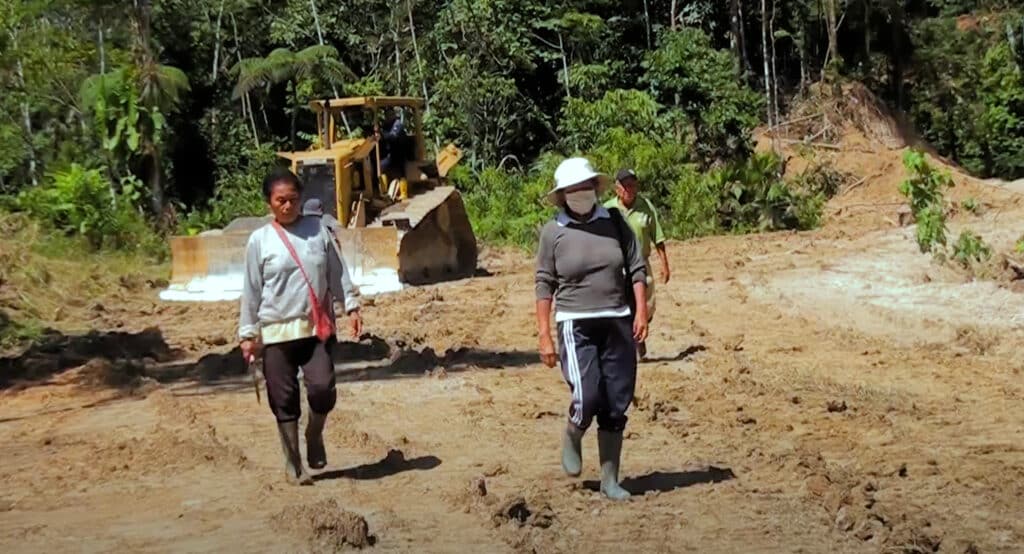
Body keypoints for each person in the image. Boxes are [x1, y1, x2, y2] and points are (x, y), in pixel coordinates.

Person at [535, 157, 649, 501]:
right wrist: (543, 333)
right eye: (574, 190)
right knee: (588, 394)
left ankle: (610, 480)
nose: (581, 194)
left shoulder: (613, 221)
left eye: (586, 188)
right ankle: (574, 430)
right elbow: (544, 282)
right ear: (563, 195)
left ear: (595, 189)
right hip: (575, 322)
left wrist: (641, 311)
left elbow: (636, 266)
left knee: (616, 399)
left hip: (617, 317)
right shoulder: (553, 232)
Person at [239, 168, 362, 485]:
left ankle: (314, 432)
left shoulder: (318, 231)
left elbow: (337, 272)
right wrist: (248, 333)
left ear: (301, 199)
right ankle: (293, 465)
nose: (287, 206)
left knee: (323, 390)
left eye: (293, 199)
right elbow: (251, 290)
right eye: (280, 200)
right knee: (283, 400)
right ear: (269, 202)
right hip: (276, 333)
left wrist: (351, 305)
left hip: (314, 330)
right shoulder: (259, 241)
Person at [603, 169, 669, 360]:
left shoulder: (646, 206)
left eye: (633, 185)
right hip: (618, 265)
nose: (630, 189)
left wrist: (665, 264)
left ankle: (641, 328)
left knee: (648, 305)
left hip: (642, 263)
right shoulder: (608, 210)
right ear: (617, 189)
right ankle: (630, 341)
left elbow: (658, 237)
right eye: (626, 186)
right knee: (623, 304)